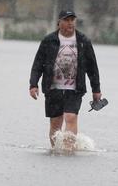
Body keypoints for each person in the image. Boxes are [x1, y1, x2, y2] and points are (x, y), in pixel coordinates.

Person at [29, 10, 102, 149]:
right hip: (53, 88)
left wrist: (96, 90)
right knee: (55, 123)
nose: (70, 23)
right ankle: (55, 150)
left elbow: (92, 67)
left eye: (72, 20)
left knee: (70, 117)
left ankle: (68, 150)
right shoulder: (49, 40)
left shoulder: (83, 41)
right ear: (59, 22)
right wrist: (33, 84)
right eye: (67, 20)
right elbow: (38, 64)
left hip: (75, 89)